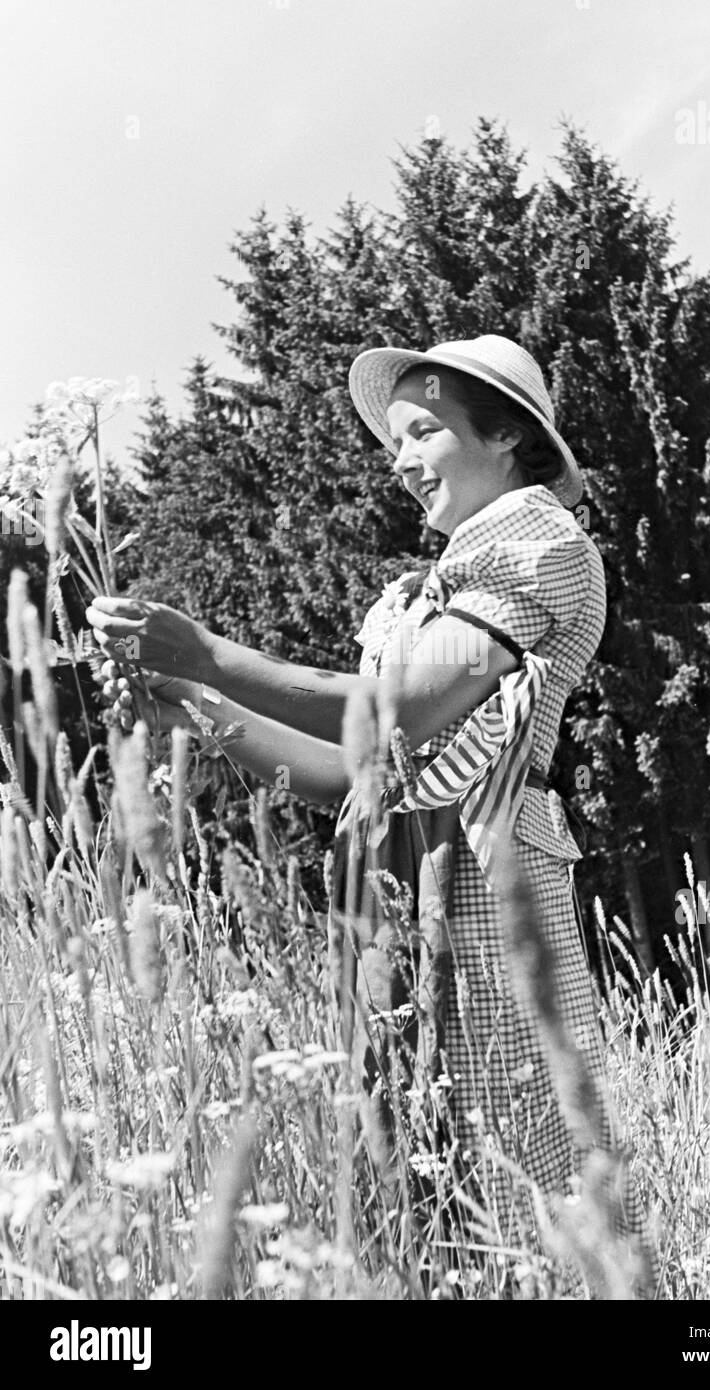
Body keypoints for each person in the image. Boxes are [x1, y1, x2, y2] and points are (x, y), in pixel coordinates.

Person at [86, 334, 655, 1282]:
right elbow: (350, 769)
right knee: (415, 1160)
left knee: (515, 1152)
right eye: (396, 438)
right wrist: (195, 705)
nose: (399, 459)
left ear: (508, 436)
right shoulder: (416, 598)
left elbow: (406, 711)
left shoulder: (542, 544)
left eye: (424, 430)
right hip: (396, 882)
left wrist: (211, 655)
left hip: (484, 871)